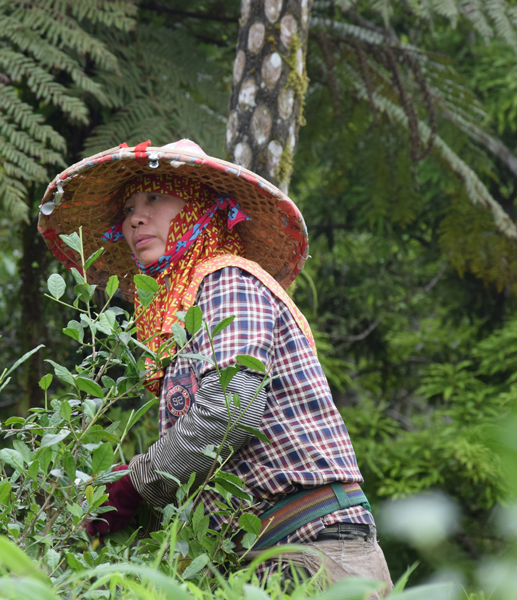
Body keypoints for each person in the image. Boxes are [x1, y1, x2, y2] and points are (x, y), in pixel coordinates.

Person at [38, 139, 393, 595]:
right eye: (128, 209)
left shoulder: (227, 278)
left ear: (201, 207)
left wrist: (133, 485)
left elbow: (231, 408)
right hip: (260, 559)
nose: (134, 219)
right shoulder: (190, 311)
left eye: (154, 198)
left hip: (313, 549)